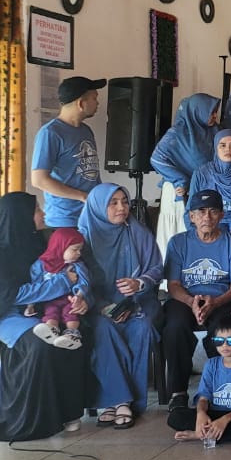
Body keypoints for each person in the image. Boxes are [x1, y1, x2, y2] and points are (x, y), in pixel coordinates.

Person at [0, 193, 90, 441]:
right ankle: (34, 420)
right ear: (21, 215)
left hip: (44, 311)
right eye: (37, 210)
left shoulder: (40, 242)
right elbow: (12, 296)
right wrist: (63, 283)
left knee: (77, 336)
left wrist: (81, 298)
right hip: (9, 317)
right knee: (40, 344)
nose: (43, 214)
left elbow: (72, 272)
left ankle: (69, 413)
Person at [79, 183, 162, 430]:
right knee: (103, 329)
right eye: (113, 203)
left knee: (141, 327)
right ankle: (119, 401)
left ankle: (121, 403)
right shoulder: (83, 238)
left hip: (138, 302)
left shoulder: (138, 232)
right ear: (97, 207)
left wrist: (139, 283)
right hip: (97, 306)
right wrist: (104, 308)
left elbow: (157, 268)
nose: (122, 208)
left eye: (124, 202)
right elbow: (78, 281)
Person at [160, 189, 231, 410]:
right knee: (175, 328)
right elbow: (173, 285)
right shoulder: (178, 243)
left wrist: (215, 302)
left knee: (223, 330)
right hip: (184, 299)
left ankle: (221, 388)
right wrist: (191, 302)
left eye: (213, 211)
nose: (206, 217)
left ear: (222, 215)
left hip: (221, 299)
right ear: (191, 216)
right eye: (200, 211)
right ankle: (178, 392)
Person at [167, 313, 231, 444]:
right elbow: (203, 397)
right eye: (219, 341)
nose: (224, 345)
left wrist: (225, 420)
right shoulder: (211, 364)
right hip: (213, 413)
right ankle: (213, 433)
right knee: (175, 416)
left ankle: (200, 435)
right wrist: (201, 414)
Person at [151, 92, 221, 252]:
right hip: (179, 191)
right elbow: (156, 159)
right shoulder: (178, 133)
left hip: (202, 189)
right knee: (177, 234)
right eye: (211, 112)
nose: (214, 116)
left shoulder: (214, 131)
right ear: (198, 111)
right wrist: (180, 179)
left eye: (215, 112)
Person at [31, 75, 105, 228]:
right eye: (94, 98)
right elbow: (39, 180)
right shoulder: (50, 133)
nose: (97, 103)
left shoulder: (86, 131)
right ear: (81, 103)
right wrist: (82, 196)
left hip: (90, 215)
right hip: (64, 220)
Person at [21, 228, 90, 351]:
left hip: (70, 298)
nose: (79, 253)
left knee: (70, 312)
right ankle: (51, 329)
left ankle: (72, 334)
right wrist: (30, 305)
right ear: (60, 247)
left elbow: (84, 282)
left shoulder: (77, 265)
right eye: (75, 249)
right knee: (51, 311)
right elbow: (36, 285)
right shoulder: (41, 265)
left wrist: (79, 296)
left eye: (80, 249)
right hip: (50, 300)